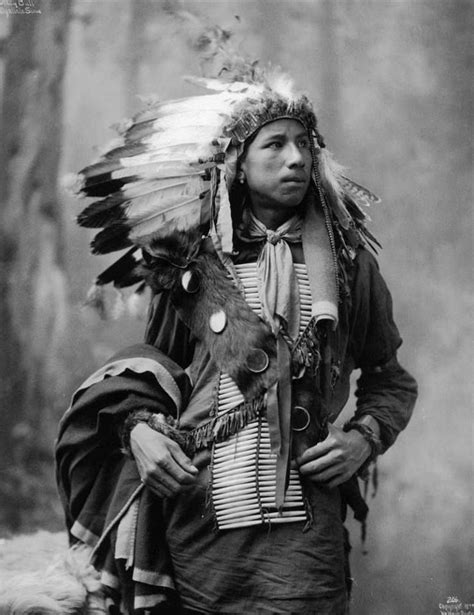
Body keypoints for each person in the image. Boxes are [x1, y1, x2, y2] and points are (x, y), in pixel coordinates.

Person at [56, 63, 417, 614]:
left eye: (304, 145)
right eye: (274, 145)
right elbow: (155, 371)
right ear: (239, 166)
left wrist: (363, 439)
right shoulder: (192, 268)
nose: (296, 158)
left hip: (305, 541)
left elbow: (390, 379)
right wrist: (139, 432)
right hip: (200, 524)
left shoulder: (350, 269)